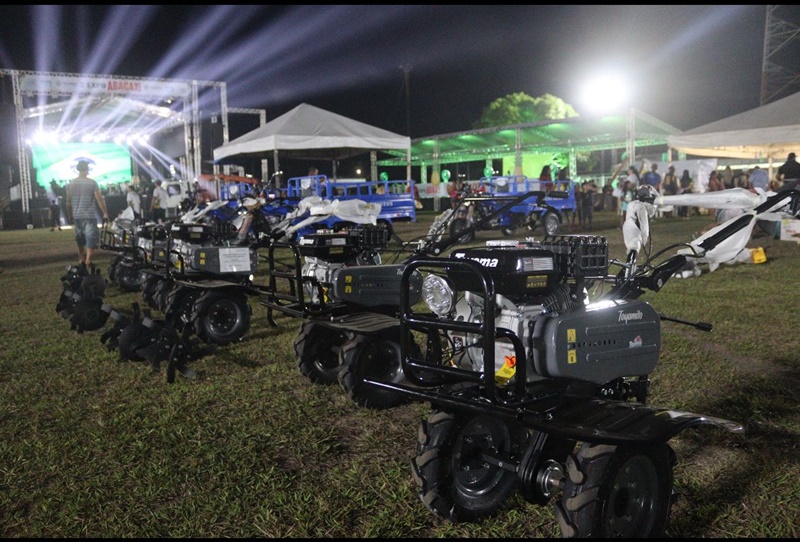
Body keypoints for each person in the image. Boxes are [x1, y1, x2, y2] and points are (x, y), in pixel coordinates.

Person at [65, 160, 109, 269]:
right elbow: (99, 199)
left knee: (80, 238)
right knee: (91, 238)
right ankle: (89, 260)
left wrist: (70, 215)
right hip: (89, 215)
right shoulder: (92, 183)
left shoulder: (71, 183)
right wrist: (105, 213)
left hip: (77, 215)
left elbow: (68, 202)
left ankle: (81, 259)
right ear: (87, 169)